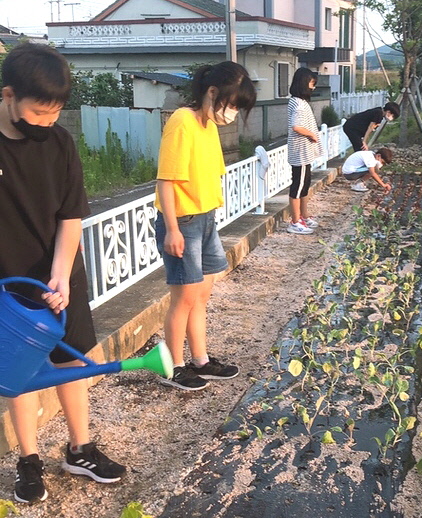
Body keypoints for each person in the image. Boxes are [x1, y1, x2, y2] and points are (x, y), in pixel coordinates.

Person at [0, 43, 126, 504]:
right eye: (38, 112)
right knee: (19, 370)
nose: (46, 124)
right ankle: (29, 461)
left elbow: (70, 215)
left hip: (61, 273)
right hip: (8, 284)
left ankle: (81, 447)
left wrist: (59, 274)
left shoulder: (60, 142)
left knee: (71, 364)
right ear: (9, 94)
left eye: (55, 114)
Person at [154, 62, 256, 390]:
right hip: (183, 223)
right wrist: (171, 229)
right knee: (183, 298)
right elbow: (166, 181)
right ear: (212, 93)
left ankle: (200, 360)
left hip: (207, 218)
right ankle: (172, 366)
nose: (232, 114)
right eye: (232, 105)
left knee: (200, 296)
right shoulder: (182, 121)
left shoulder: (208, 125)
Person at [286, 67, 321, 235]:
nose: (313, 88)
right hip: (300, 152)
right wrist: (312, 135)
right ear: (304, 84)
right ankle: (294, 221)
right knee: (298, 188)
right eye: (312, 84)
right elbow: (296, 126)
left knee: (305, 186)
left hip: (304, 153)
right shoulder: (299, 104)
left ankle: (303, 216)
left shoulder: (300, 102)